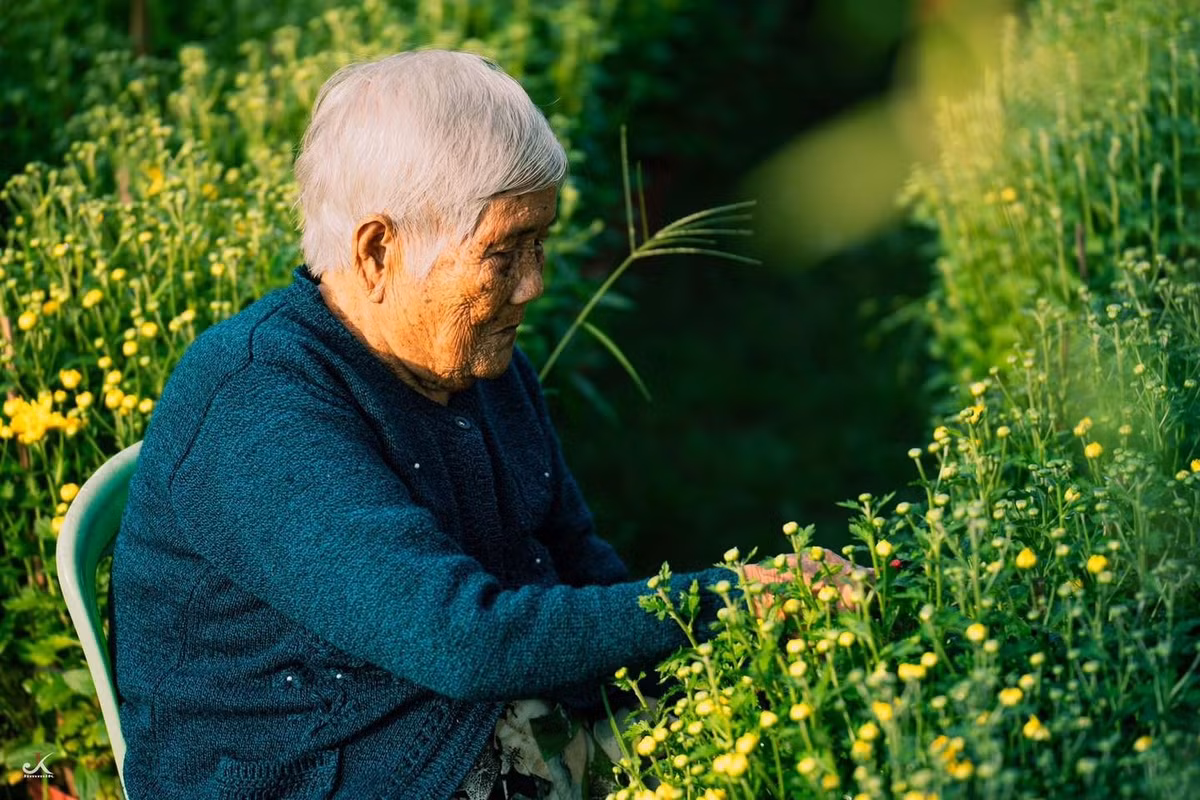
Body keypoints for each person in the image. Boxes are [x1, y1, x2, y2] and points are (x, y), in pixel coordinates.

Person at [111, 50, 866, 799]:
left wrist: (714, 659)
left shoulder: (479, 368)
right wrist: (727, 599)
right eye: (504, 252)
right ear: (378, 251)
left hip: (470, 723)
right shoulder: (261, 402)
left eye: (541, 243)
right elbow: (463, 640)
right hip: (336, 773)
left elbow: (577, 557)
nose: (533, 285)